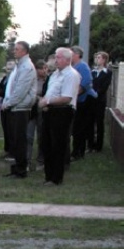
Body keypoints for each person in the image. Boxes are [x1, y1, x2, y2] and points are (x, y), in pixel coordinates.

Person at [38, 47, 79, 186]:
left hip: (62, 111)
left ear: (68, 60)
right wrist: (44, 102)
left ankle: (56, 178)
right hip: (50, 111)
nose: (56, 60)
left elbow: (66, 98)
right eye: (56, 57)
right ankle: (48, 176)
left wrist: (47, 101)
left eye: (59, 57)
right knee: (47, 143)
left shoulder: (71, 75)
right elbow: (50, 92)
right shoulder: (55, 74)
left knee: (58, 145)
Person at [0, 41, 37, 179]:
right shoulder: (19, 65)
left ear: (24, 51)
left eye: (17, 49)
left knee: (20, 140)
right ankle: (16, 168)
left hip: (20, 108)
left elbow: (20, 91)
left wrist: (8, 103)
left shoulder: (27, 67)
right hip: (15, 107)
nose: (14, 51)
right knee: (15, 140)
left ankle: (21, 170)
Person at [70, 46, 97, 160]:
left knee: (80, 126)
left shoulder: (82, 66)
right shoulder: (74, 66)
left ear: (76, 54)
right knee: (77, 127)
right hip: (80, 100)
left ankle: (78, 152)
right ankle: (77, 151)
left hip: (86, 100)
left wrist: (74, 94)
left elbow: (86, 82)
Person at [91, 51, 112, 153]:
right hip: (91, 100)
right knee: (90, 122)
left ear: (104, 59)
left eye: (99, 57)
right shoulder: (93, 71)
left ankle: (98, 146)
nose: (97, 59)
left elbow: (104, 87)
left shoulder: (107, 72)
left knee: (99, 122)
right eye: (96, 57)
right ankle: (90, 144)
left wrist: (96, 93)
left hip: (100, 100)